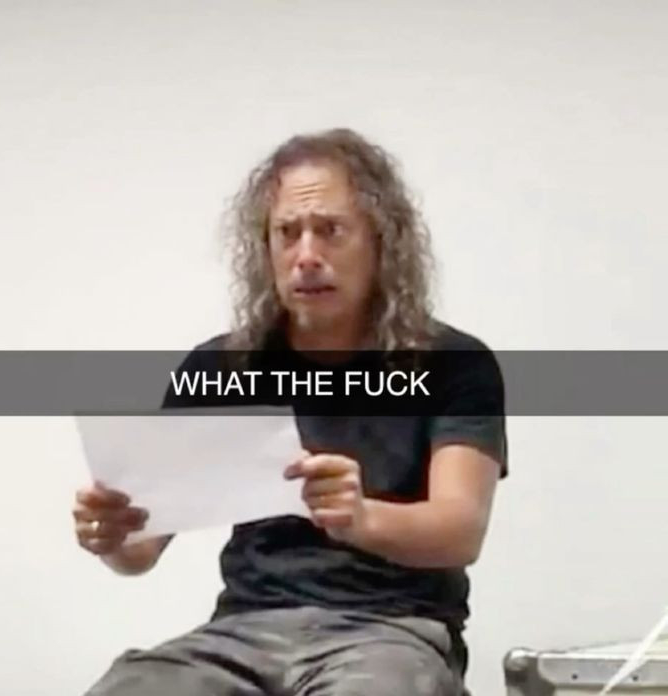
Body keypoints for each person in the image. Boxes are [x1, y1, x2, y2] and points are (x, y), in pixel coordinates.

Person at [73, 128, 508, 696]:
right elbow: (141, 552)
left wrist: (360, 518)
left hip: (389, 631)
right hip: (242, 632)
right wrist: (112, 535)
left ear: (381, 243)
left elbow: (459, 532)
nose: (306, 256)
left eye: (330, 231)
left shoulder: (453, 363)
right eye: (287, 233)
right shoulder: (222, 365)